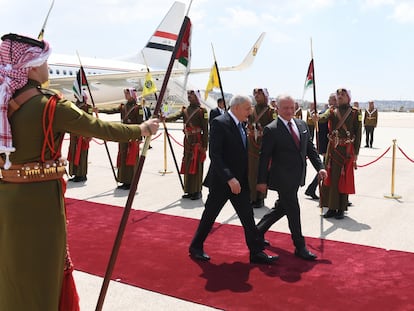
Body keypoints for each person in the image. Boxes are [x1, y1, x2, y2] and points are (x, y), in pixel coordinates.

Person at [0, 33, 159, 311]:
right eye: (45, 62)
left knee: (13, 267)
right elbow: (101, 129)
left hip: (7, 198)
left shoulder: (4, 104)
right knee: (43, 269)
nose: (48, 68)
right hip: (40, 202)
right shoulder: (49, 105)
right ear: (33, 66)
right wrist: (142, 129)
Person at [189, 94, 278, 264]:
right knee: (210, 216)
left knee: (247, 217)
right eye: (247, 108)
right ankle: (196, 247)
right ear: (236, 108)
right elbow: (215, 154)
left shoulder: (243, 125)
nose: (250, 111)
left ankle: (256, 252)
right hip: (222, 182)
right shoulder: (220, 123)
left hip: (241, 182)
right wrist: (229, 178)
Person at [255, 94, 327, 261]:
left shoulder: (301, 125)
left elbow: (310, 149)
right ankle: (300, 246)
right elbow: (264, 157)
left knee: (281, 208)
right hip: (282, 178)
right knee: (293, 210)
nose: (289, 111)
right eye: (285, 108)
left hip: (297, 176)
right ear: (277, 109)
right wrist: (262, 181)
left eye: (291, 107)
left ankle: (256, 232)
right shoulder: (271, 129)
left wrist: (320, 168)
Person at [318, 88, 362, 219]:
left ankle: (341, 209)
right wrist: (316, 117)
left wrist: (356, 153)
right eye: (338, 95)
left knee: (343, 180)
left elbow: (358, 133)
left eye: (343, 95)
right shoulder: (331, 111)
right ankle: (331, 208)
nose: (340, 97)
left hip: (346, 151)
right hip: (333, 150)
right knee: (330, 179)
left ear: (348, 97)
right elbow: (322, 119)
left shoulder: (355, 113)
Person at [165, 90, 208, 200]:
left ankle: (197, 191)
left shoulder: (202, 111)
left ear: (197, 97)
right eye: (188, 95)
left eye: (192, 96)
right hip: (188, 141)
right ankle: (188, 190)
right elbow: (174, 116)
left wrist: (204, 146)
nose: (189, 97)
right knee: (188, 164)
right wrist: (164, 118)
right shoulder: (185, 110)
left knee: (197, 165)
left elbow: (206, 130)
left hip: (197, 141)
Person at [98, 88, 144, 190]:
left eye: (127, 94)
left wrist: (140, 137)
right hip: (123, 135)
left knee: (131, 159)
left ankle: (131, 182)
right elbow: (112, 110)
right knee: (123, 157)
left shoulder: (138, 108)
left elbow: (140, 123)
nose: (125, 95)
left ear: (132, 94)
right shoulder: (123, 106)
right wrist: (99, 110)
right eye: (125, 93)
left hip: (132, 136)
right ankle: (123, 180)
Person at [246, 88, 277, 208]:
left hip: (263, 145)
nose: (257, 96)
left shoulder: (270, 111)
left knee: (261, 172)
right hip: (251, 145)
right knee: (251, 171)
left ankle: (260, 198)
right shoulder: (251, 109)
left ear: (265, 96)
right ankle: (251, 196)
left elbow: (275, 128)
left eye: (260, 94)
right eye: (255, 94)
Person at [304, 94, 337, 200]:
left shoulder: (337, 113)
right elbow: (322, 134)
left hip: (333, 148)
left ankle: (312, 189)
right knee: (325, 169)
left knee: (326, 169)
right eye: (334, 99)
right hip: (328, 148)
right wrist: (322, 149)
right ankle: (313, 189)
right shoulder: (324, 114)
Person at [67, 92, 93, 182]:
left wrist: (88, 134)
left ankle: (82, 174)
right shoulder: (74, 105)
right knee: (73, 153)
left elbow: (90, 120)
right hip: (74, 134)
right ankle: (75, 173)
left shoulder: (87, 107)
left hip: (83, 135)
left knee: (82, 155)